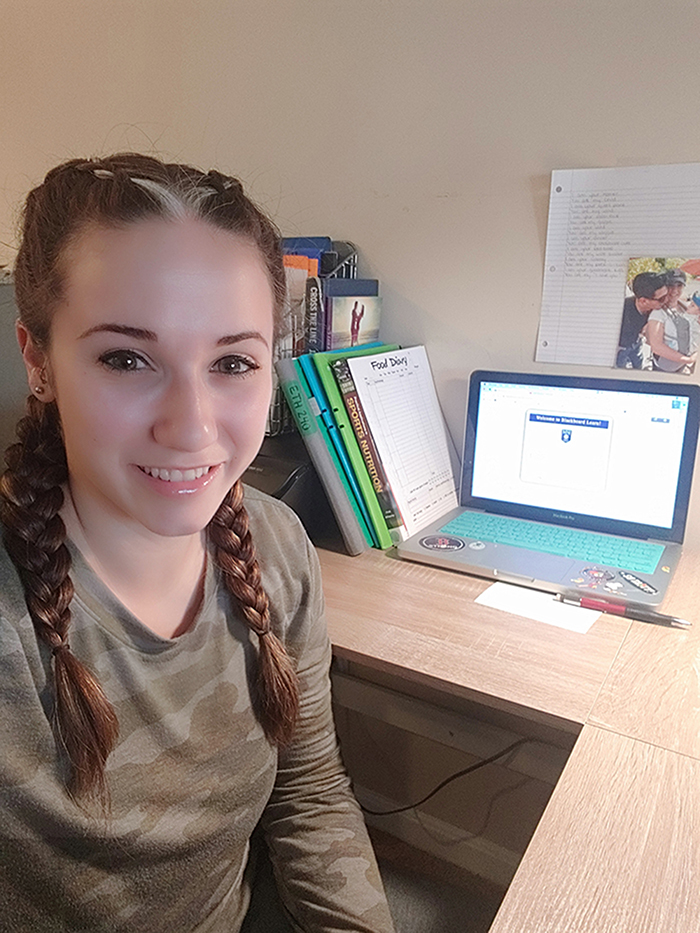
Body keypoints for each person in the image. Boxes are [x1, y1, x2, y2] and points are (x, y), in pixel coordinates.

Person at [0, 154, 395, 932]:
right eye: (126, 357)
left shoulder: (276, 547)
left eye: (232, 362)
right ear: (38, 360)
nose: (192, 426)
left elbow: (308, 791)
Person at [646, 269, 699, 373]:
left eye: (679, 286)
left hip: (682, 368)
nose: (675, 291)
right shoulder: (658, 312)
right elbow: (656, 347)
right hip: (664, 369)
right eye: (671, 286)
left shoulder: (687, 307)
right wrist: (688, 360)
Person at [616, 271, 668, 369]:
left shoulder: (655, 309)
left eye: (667, 295)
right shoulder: (622, 314)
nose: (666, 301)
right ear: (643, 301)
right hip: (622, 347)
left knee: (639, 366)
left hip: (637, 342)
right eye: (662, 299)